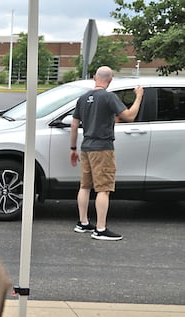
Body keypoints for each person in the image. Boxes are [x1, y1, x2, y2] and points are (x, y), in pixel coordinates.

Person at [70, 66, 143, 241]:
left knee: (85, 186)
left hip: (86, 146)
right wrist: (139, 96)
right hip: (102, 148)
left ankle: (83, 223)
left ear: (95, 77)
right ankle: (100, 229)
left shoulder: (83, 97)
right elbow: (130, 116)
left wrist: (73, 149)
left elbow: (74, 125)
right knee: (104, 189)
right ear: (110, 80)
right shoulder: (109, 97)